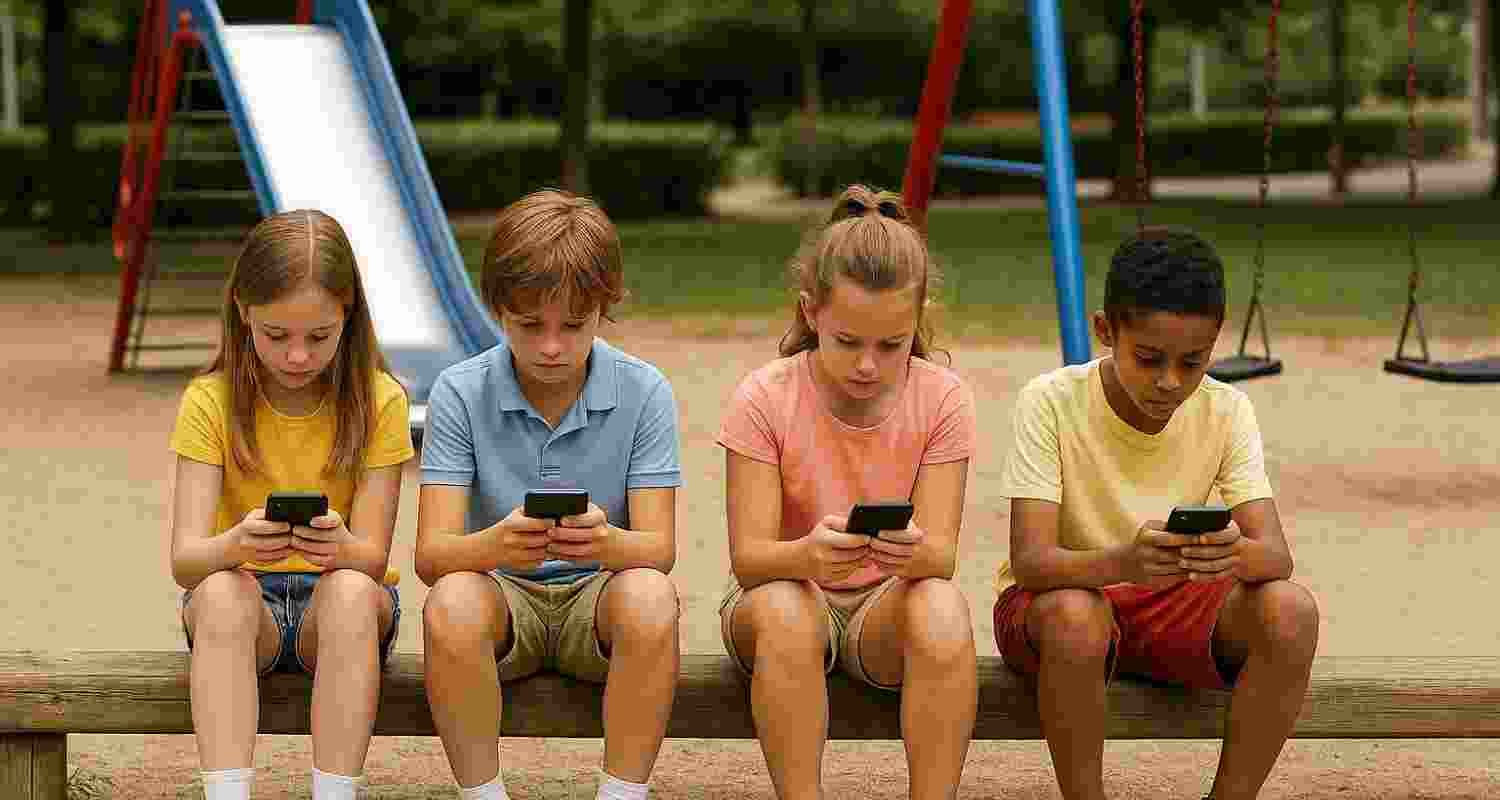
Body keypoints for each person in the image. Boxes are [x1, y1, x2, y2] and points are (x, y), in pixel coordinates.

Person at [994, 227, 1321, 800]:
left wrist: (1231, 554)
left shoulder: (1226, 409)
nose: (1170, 382)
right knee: (1075, 616)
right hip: (1061, 606)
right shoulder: (1049, 400)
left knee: (1291, 611)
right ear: (1104, 331)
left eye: (1192, 362)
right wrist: (1122, 561)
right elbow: (1031, 564)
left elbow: (1277, 556)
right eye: (1149, 359)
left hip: (1170, 604)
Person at [416, 189, 682, 800]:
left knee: (650, 593)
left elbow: (658, 550)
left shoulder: (645, 391)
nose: (553, 346)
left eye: (575, 325)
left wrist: (607, 541)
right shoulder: (460, 390)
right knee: (451, 602)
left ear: (604, 310)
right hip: (502, 598)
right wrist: (497, 544)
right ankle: (482, 795)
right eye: (529, 325)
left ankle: (621, 794)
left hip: (600, 597)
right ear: (497, 310)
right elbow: (431, 557)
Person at [717, 185, 978, 800]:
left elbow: (939, 558)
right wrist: (807, 556)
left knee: (942, 606)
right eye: (847, 342)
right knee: (787, 611)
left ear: (918, 318)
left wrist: (906, 551)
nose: (868, 365)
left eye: (891, 345)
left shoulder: (941, 397)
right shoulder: (765, 396)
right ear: (811, 314)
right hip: (780, 594)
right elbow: (750, 559)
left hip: (883, 607)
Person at [168, 209, 414, 800]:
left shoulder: (381, 401)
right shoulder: (211, 400)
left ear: (347, 318)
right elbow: (185, 561)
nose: (298, 356)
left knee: (353, 591)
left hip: (340, 605)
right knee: (223, 591)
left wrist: (339, 546)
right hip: (240, 607)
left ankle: (334, 792)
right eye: (277, 336)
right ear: (243, 312)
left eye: (319, 337)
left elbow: (374, 559)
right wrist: (234, 545)